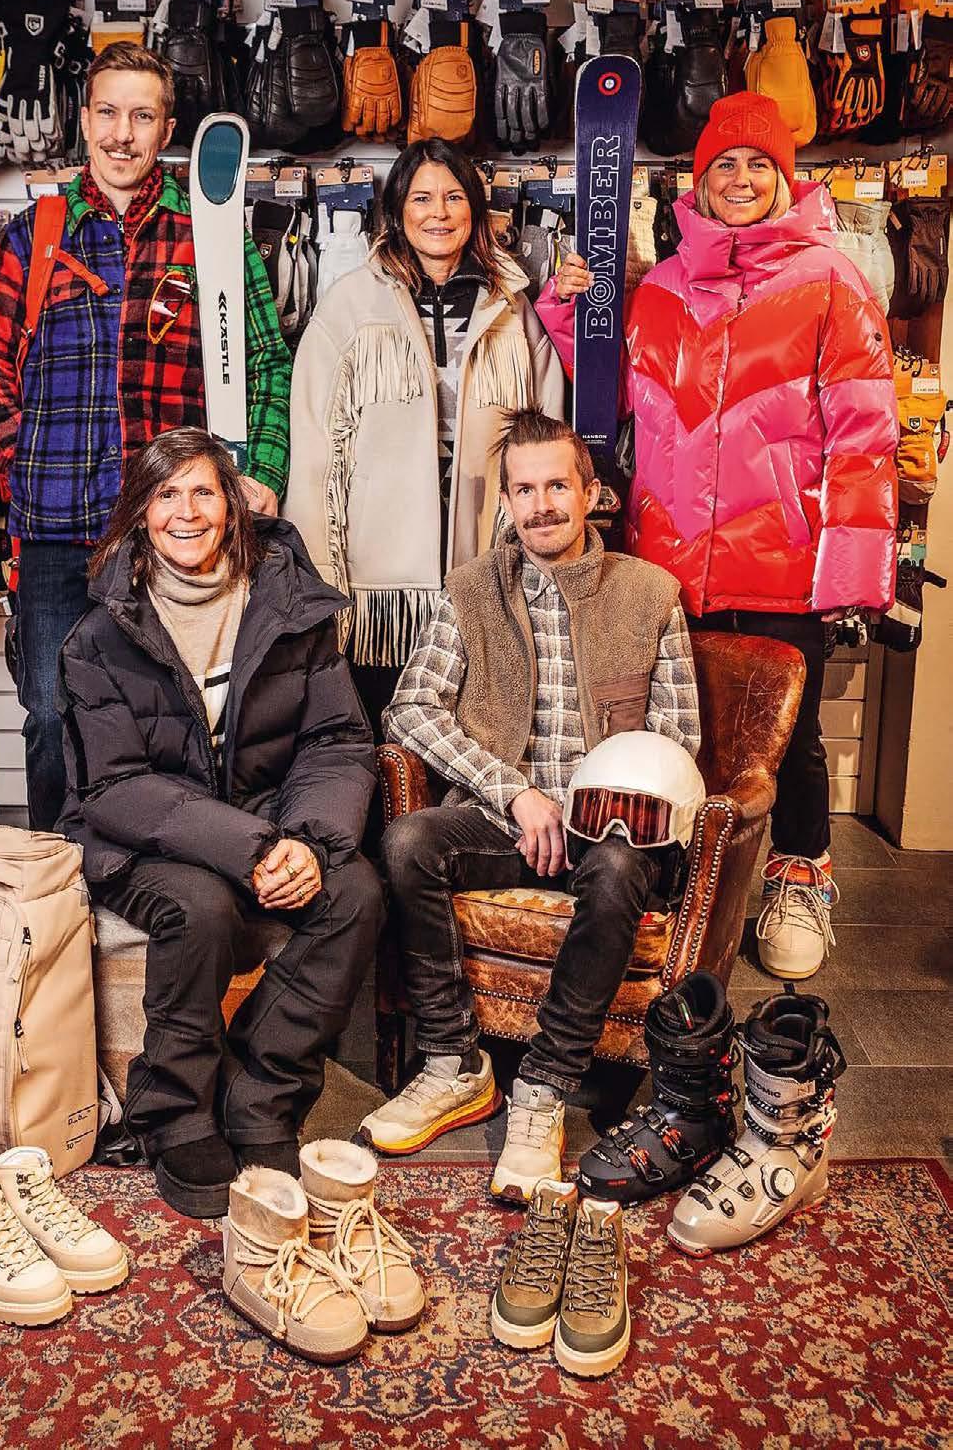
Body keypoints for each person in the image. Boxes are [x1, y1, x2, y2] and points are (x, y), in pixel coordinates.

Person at [535, 92, 898, 981]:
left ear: (785, 179)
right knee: (674, 726)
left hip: (780, 564)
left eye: (757, 164)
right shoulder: (661, 287)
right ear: (698, 182)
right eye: (723, 164)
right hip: (666, 563)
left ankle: (799, 877)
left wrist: (851, 574)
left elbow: (865, 435)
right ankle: (677, 876)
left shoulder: (832, 283)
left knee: (790, 738)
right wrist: (569, 313)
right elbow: (613, 391)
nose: (739, 179)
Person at [357, 409, 700, 1203]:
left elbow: (677, 736)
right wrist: (515, 793)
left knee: (617, 871)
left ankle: (543, 1086)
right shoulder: (471, 590)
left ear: (590, 493)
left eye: (557, 487)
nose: (541, 505)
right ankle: (453, 1063)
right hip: (506, 814)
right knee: (408, 842)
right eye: (524, 490)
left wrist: (589, 804)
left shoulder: (649, 594)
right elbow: (410, 709)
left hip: (613, 828)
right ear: (507, 500)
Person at [0, 43, 291, 832]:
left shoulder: (210, 234)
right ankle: (62, 885)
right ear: (84, 119)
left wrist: (263, 468)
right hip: (58, 534)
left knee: (177, 724)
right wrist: (19, 464)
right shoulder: (35, 235)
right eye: (108, 113)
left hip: (177, 533)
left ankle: (165, 885)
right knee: (52, 718)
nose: (122, 134)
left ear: (167, 129)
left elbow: (267, 361)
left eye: (142, 116)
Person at [56, 427, 382, 1218]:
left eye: (204, 491)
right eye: (166, 494)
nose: (186, 512)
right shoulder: (99, 634)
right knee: (201, 910)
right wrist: (254, 848)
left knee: (357, 892)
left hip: (264, 816)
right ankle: (174, 1111)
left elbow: (336, 741)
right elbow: (115, 787)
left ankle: (261, 1094)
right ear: (140, 512)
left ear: (233, 507)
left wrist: (308, 840)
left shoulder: (289, 606)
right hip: (140, 835)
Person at [284, 137, 566, 734]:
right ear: (397, 210)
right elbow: (314, 449)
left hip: (483, 562)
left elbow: (547, 434)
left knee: (476, 727)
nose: (439, 212)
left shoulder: (510, 307)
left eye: (454, 197)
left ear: (475, 209)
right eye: (422, 198)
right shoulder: (350, 305)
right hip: (379, 583)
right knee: (378, 730)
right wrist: (318, 580)